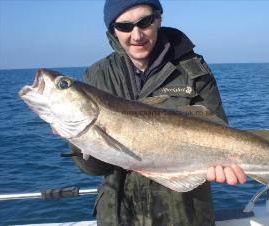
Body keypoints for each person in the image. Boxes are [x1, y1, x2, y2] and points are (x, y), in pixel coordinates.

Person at [70, 0, 246, 225]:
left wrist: (222, 163)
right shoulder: (97, 75)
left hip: (184, 216)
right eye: (124, 26)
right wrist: (76, 135)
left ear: (158, 19)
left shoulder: (194, 71)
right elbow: (93, 169)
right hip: (119, 217)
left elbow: (219, 131)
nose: (136, 35)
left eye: (144, 22)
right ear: (112, 30)